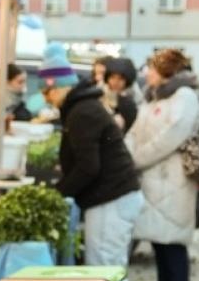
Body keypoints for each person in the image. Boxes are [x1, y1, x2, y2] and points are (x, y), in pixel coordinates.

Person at [37, 43, 142, 266]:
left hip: (111, 198)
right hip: (112, 196)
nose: (46, 99)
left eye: (46, 92)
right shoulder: (82, 107)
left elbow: (88, 166)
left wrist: (57, 193)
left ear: (57, 87)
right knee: (108, 265)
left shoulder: (81, 111)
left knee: (104, 266)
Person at [127, 50, 199, 281]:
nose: (147, 73)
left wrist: (139, 157)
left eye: (152, 68)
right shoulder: (153, 97)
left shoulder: (184, 97)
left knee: (173, 244)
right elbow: (136, 131)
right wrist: (129, 153)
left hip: (172, 180)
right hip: (151, 179)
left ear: (166, 70)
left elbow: (171, 135)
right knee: (158, 243)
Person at [101, 58, 139, 132]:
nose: (115, 82)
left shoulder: (130, 102)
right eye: (112, 77)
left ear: (127, 80)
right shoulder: (100, 96)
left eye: (120, 79)